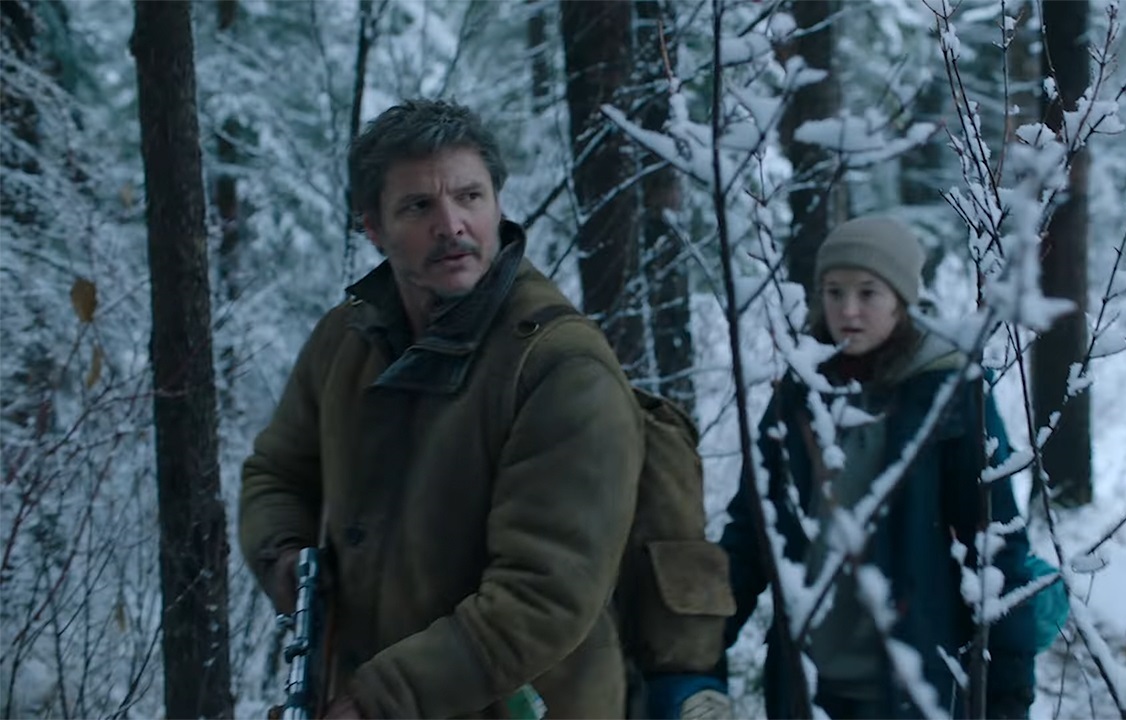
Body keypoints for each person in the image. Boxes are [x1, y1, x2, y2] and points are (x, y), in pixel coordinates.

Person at [240, 99, 669, 719]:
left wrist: (379, 702)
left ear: (497, 203)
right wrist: (285, 558)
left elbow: (543, 598)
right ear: (373, 227)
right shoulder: (345, 341)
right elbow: (277, 472)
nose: (451, 225)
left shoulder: (561, 369)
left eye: (470, 197)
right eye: (418, 206)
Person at [717, 216, 1039, 719]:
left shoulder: (950, 394)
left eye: (868, 292)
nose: (848, 310)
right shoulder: (798, 395)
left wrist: (1007, 694)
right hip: (806, 688)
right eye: (834, 292)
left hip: (914, 688)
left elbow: (997, 548)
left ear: (900, 299)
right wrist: (692, 653)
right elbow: (750, 535)